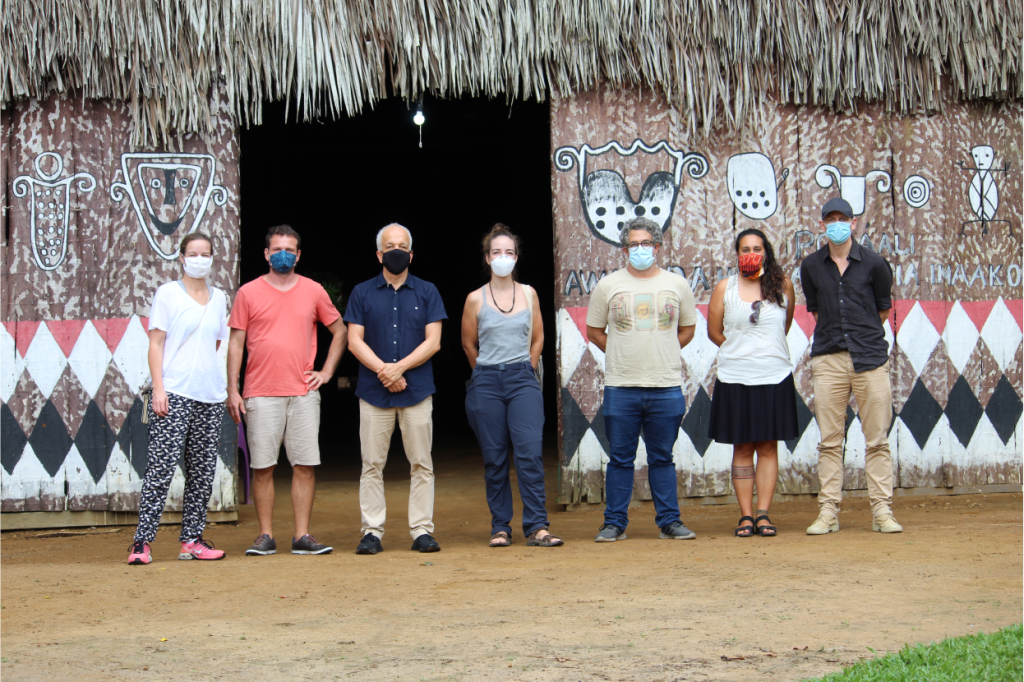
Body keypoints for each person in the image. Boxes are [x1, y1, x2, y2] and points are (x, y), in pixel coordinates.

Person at [227, 224, 347, 556]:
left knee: (304, 464)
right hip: (260, 392)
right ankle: (265, 535)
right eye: (276, 249)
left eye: (289, 249)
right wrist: (233, 390)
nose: (283, 254)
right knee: (263, 467)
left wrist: (326, 371)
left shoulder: (313, 291)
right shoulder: (248, 293)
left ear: (298, 255)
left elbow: (340, 331)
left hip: (302, 392)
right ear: (266, 254)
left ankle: (302, 536)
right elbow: (236, 344)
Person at [586, 217, 699, 542]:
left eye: (646, 243)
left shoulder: (677, 284)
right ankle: (614, 523)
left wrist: (664, 348)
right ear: (624, 249)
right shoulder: (609, 285)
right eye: (633, 244)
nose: (640, 249)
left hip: (665, 387)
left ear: (658, 246)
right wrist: (621, 349)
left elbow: (688, 328)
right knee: (620, 459)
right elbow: (594, 331)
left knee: (662, 458)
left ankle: (669, 522)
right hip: (621, 387)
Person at [800, 197, 902, 534]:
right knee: (830, 441)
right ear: (822, 225)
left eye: (843, 218)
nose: (837, 224)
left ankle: (882, 511)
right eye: (830, 219)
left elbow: (882, 311)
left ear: (854, 223)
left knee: (877, 440)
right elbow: (817, 312)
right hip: (828, 358)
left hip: (870, 358)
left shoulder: (875, 264)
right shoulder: (812, 266)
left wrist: (860, 335)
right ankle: (828, 512)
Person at [128, 232, 230, 565]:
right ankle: (141, 543)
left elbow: (216, 343)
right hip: (174, 392)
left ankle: (192, 540)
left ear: (213, 257)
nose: (200, 258)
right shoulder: (168, 294)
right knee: (160, 469)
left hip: (209, 394)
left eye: (206, 253)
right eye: (193, 253)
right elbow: (156, 343)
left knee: (202, 472)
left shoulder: (219, 298)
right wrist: (159, 388)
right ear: (182, 257)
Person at [345, 223, 447, 554]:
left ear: (411, 254)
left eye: (402, 246)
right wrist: (384, 372)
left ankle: (421, 531)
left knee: (421, 463)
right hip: (374, 394)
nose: (396, 251)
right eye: (389, 246)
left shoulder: (428, 291)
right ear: (379, 254)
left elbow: (434, 342)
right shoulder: (361, 292)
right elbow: (353, 340)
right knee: (372, 464)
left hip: (416, 391)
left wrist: (399, 368)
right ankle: (372, 531)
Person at [461, 224, 562, 548]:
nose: (502, 257)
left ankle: (537, 527)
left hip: (522, 379)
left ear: (516, 257)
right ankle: (500, 527)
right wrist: (484, 374)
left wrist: (528, 368)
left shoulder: (529, 293)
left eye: (508, 252)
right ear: (487, 258)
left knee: (530, 453)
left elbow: (539, 338)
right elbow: (468, 344)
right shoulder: (475, 299)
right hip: (487, 380)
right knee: (495, 457)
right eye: (496, 252)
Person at [707, 228, 798, 538]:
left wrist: (762, 352)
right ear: (737, 254)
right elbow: (714, 332)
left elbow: (783, 327)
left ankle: (763, 514)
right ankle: (745, 516)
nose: (751, 254)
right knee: (743, 447)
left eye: (757, 248)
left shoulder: (783, 286)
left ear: (766, 252)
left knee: (768, 447)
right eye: (745, 248)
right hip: (735, 378)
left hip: (774, 376)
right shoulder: (725, 288)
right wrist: (741, 351)